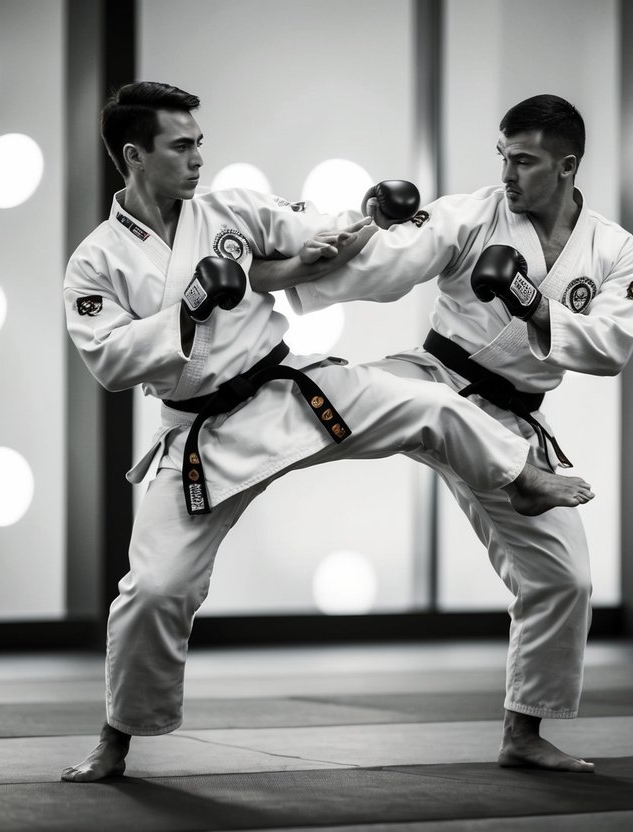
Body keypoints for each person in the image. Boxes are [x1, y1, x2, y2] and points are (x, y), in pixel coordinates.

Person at [60, 82, 595, 782]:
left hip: (292, 390)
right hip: (203, 434)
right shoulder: (95, 261)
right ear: (135, 155)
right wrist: (186, 310)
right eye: (181, 146)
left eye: (199, 143)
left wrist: (367, 217)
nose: (197, 159)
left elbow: (307, 228)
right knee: (156, 589)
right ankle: (116, 738)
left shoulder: (228, 209)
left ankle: (521, 478)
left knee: (429, 402)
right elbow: (108, 360)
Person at [255, 94, 633, 772]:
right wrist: (367, 224)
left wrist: (529, 303)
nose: (507, 174)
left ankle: (523, 734)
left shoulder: (614, 249)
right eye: (502, 157)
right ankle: (219, 429)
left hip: (512, 419)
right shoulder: (472, 213)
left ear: (566, 166)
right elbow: (394, 261)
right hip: (431, 376)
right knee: (327, 397)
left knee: (564, 579)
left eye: (522, 161)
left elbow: (610, 347)